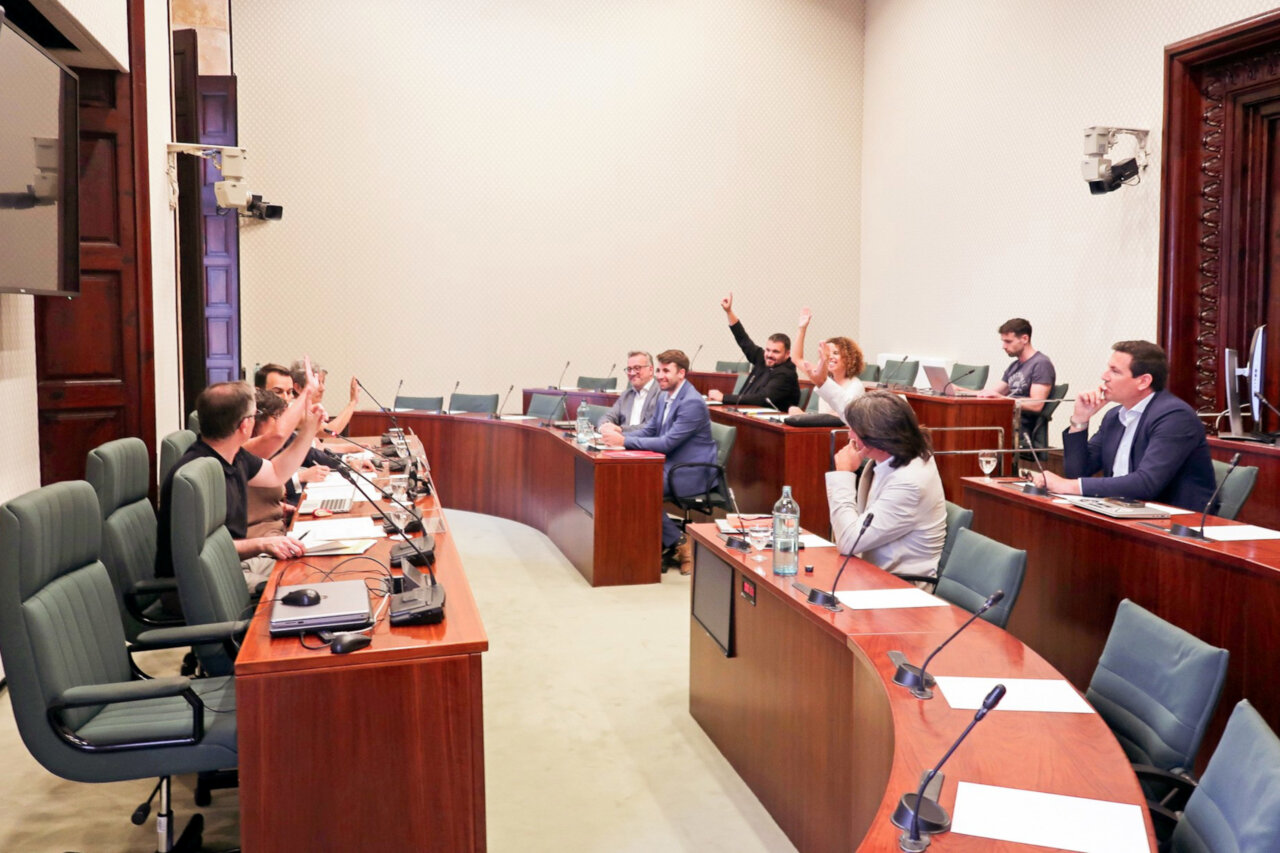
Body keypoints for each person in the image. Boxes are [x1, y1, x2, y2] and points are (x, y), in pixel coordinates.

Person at [157, 380, 324, 589]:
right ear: (245, 424)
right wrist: (262, 543)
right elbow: (202, 550)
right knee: (301, 585)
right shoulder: (197, 475)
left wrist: (309, 431)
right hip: (199, 584)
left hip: (231, 564)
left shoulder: (233, 456)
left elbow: (276, 473)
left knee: (313, 569)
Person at [1029, 340, 1216, 510]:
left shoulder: (1174, 417)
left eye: (1115, 371)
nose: (1104, 376)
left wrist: (1068, 486)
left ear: (1143, 381)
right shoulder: (1114, 416)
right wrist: (1080, 419)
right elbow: (1078, 472)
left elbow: (1146, 484)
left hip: (1175, 523)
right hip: (1124, 511)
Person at [600, 349, 718, 575]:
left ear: (681, 373)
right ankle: (669, 541)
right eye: (660, 370)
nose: (661, 376)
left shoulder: (691, 402)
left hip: (690, 471)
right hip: (669, 464)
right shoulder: (666, 396)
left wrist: (624, 440)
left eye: (666, 371)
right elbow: (650, 429)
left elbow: (667, 443)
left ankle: (681, 544)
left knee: (637, 486)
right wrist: (617, 441)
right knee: (623, 479)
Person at [826, 391, 946, 578]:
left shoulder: (910, 483)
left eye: (853, 429)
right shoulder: (892, 457)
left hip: (899, 585)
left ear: (875, 437)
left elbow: (849, 542)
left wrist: (843, 474)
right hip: (870, 571)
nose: (849, 434)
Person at [707, 292, 801, 409]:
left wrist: (724, 398)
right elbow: (743, 340)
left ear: (787, 354)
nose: (769, 355)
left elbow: (762, 398)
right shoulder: (763, 359)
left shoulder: (786, 374)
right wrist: (729, 312)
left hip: (773, 423)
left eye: (776, 352)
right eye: (768, 350)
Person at [977, 318, 1056, 442]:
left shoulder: (1041, 364)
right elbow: (991, 393)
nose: (1004, 346)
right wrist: (959, 390)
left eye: (1008, 341)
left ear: (1024, 339)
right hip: (1003, 420)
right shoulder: (1014, 366)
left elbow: (1036, 404)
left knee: (969, 425)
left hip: (1019, 427)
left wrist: (1001, 398)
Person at [788, 306, 866, 421]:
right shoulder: (824, 377)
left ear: (849, 357)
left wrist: (805, 416)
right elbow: (796, 358)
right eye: (828, 353)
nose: (830, 357)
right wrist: (802, 329)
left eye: (836, 353)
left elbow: (842, 416)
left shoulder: (855, 386)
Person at [599, 351, 660, 435]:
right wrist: (604, 426)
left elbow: (652, 426)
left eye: (637, 368)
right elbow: (609, 416)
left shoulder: (661, 393)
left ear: (650, 370)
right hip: (620, 442)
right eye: (629, 369)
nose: (632, 373)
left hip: (646, 444)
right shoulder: (626, 395)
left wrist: (621, 429)